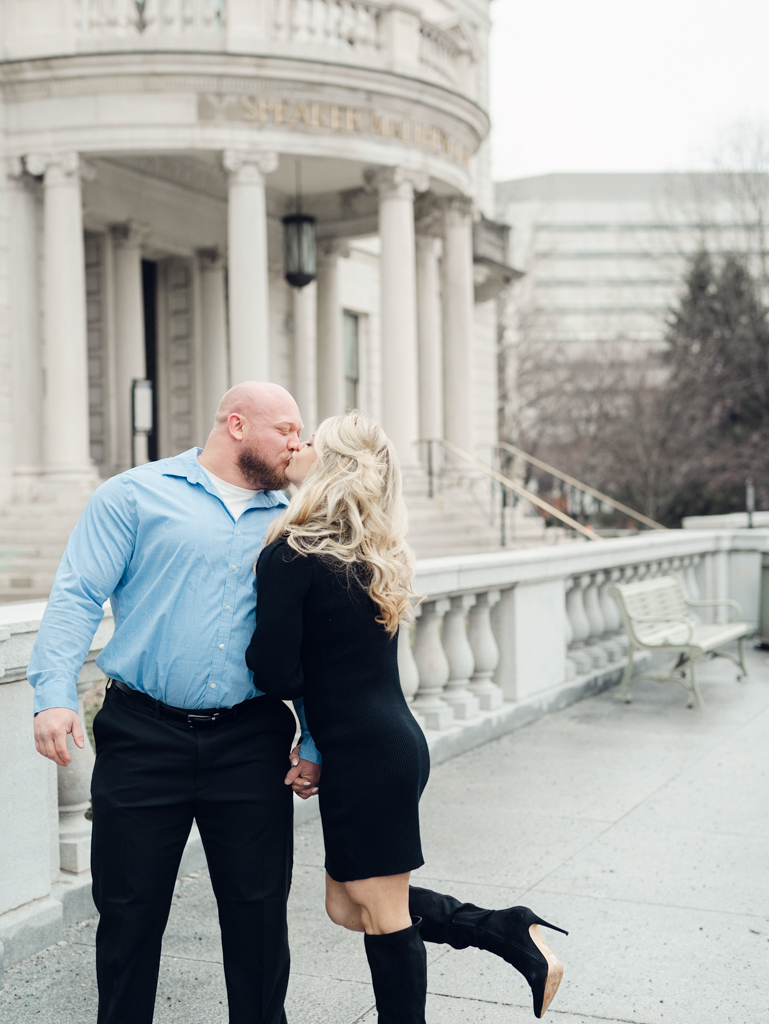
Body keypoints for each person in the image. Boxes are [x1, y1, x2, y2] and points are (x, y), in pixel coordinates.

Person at [245, 411, 568, 1022]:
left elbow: (273, 672)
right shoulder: (373, 554)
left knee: (385, 918)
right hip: (385, 745)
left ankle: (500, 939)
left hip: (367, 754)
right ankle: (504, 930)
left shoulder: (291, 553)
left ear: (332, 465)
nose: (301, 445)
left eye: (313, 440)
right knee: (347, 907)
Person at [28, 381, 322, 1024]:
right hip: (142, 735)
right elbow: (77, 596)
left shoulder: (298, 517)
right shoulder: (134, 496)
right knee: (128, 918)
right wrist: (52, 696)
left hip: (252, 741)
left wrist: (316, 735)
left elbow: (326, 634)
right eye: (288, 430)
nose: (299, 444)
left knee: (260, 919)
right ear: (237, 424)